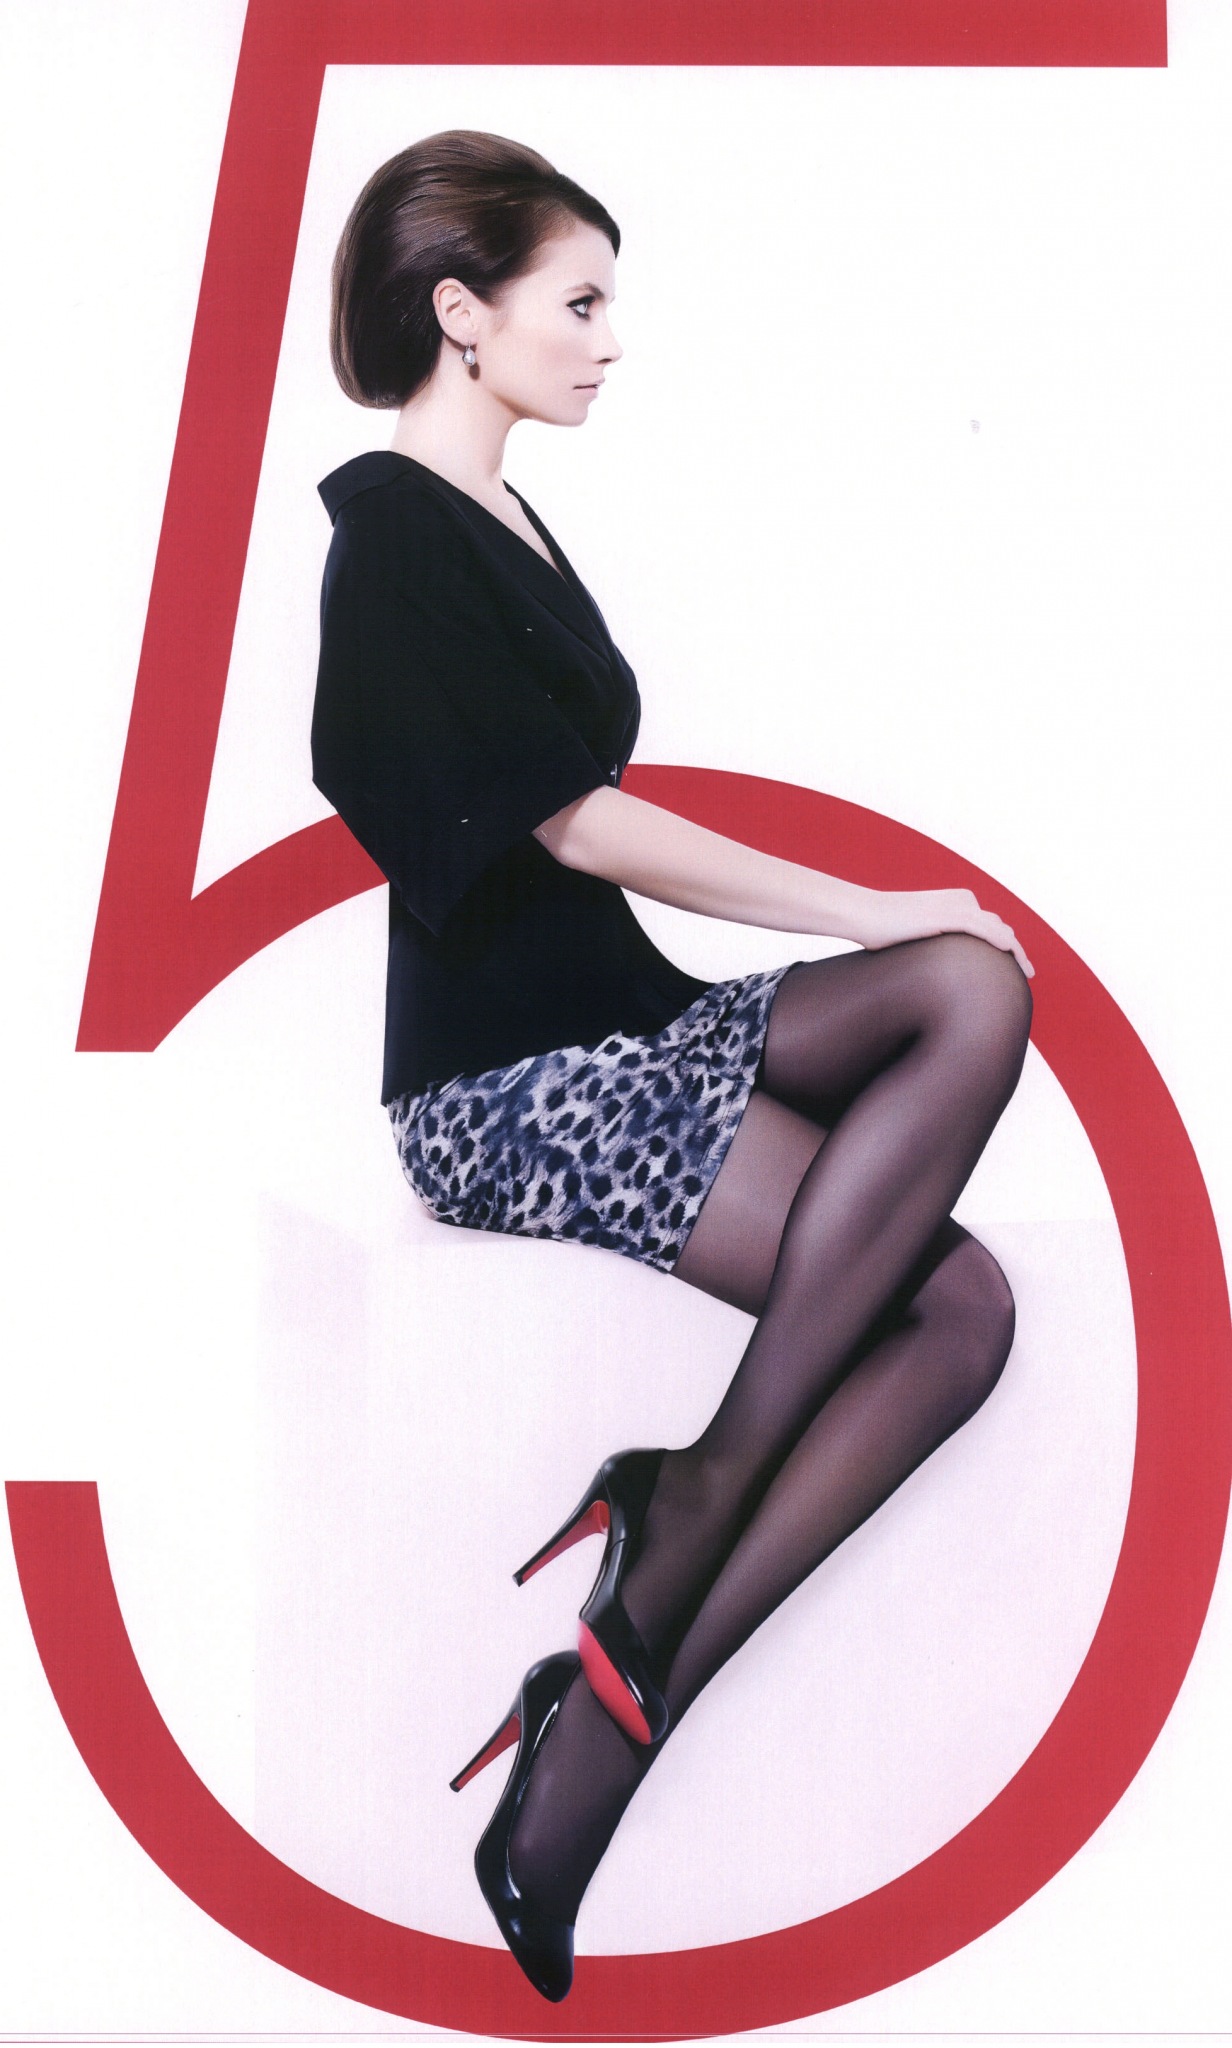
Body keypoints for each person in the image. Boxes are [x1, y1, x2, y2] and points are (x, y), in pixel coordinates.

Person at [311, 129, 1034, 2003]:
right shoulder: (392, 541)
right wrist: (865, 903)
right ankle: (674, 1559)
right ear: (461, 315)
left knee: (965, 1254)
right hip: (510, 1091)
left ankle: (632, 1658)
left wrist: (894, 929)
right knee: (946, 1001)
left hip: (622, 1028)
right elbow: (573, 824)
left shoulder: (503, 521)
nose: (611, 339)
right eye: (581, 300)